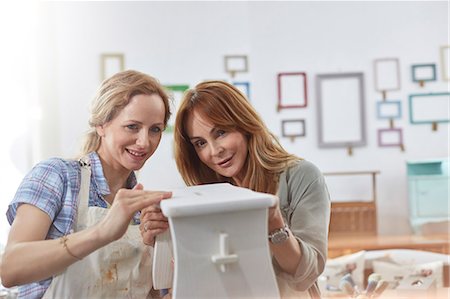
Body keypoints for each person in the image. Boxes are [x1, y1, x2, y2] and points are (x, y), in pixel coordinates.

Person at [141, 80, 330, 298]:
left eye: (221, 132)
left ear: (244, 124)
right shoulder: (204, 193)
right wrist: (158, 242)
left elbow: (308, 274)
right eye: (200, 143)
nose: (214, 151)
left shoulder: (301, 176)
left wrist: (275, 228)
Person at [1, 70, 173, 298]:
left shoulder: (144, 208)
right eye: (132, 126)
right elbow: (11, 269)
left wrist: (160, 251)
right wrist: (102, 232)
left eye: (155, 130)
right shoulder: (57, 176)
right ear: (101, 125)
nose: (144, 142)